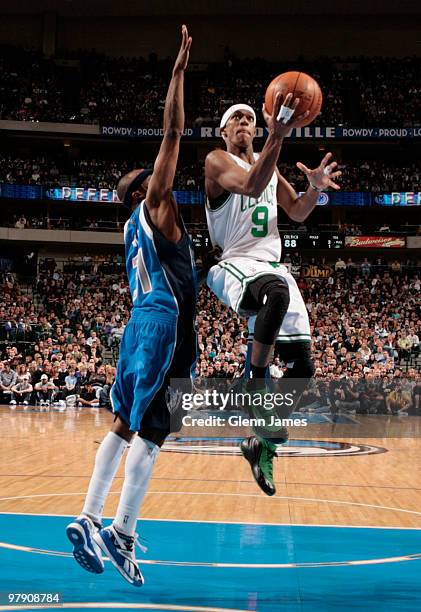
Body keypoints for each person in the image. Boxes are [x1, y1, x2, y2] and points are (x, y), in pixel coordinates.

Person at [66, 26, 195, 587]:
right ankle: (113, 528)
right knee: (154, 429)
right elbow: (173, 129)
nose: (162, 170)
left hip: (140, 322)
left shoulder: (128, 230)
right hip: (165, 322)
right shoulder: (157, 203)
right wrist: (178, 72)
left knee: (128, 421)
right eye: (154, 174)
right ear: (147, 187)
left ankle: (97, 519)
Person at [204, 96, 340, 496]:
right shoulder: (217, 160)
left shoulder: (268, 159)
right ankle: (255, 386)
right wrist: (279, 136)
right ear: (224, 132)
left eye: (249, 117)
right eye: (236, 119)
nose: (244, 122)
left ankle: (262, 443)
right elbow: (251, 184)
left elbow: (297, 211)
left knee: (304, 371)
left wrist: (314, 190)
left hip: (273, 266)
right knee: (275, 292)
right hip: (235, 262)